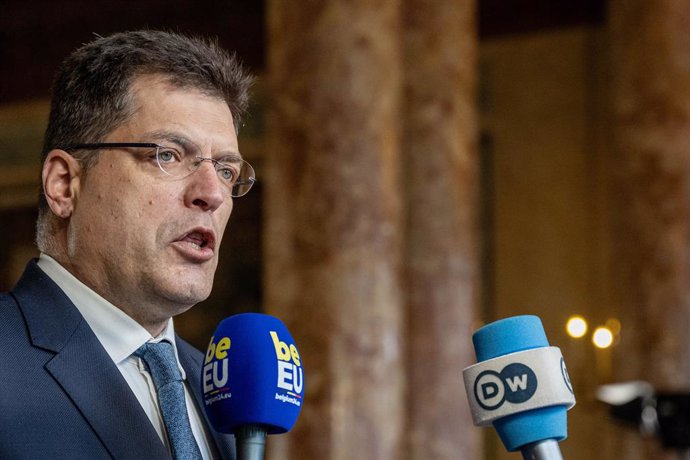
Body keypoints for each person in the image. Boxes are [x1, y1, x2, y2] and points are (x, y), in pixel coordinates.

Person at [0, 30, 254, 459]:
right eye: (169, 155)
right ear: (64, 184)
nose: (211, 193)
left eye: (227, 171)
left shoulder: (224, 393)